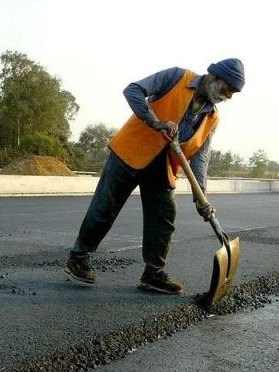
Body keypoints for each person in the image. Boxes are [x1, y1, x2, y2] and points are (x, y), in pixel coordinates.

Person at [65, 58, 245, 294]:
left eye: (232, 93)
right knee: (105, 207)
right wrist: (154, 121)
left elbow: (200, 157)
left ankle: (153, 273)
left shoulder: (212, 117)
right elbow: (133, 90)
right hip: (131, 152)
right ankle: (78, 257)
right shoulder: (177, 77)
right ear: (214, 77)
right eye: (227, 89)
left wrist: (201, 196)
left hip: (163, 166)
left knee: (164, 216)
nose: (228, 96)